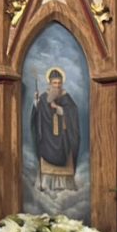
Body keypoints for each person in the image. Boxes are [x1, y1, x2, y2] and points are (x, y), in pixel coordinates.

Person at [31, 64, 81, 192]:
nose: (57, 86)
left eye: (59, 83)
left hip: (63, 141)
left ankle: (65, 189)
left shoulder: (66, 97)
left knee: (65, 163)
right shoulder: (43, 98)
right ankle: (46, 187)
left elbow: (73, 112)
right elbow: (37, 117)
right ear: (50, 83)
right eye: (54, 83)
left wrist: (60, 109)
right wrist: (36, 103)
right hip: (48, 140)